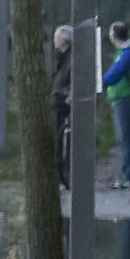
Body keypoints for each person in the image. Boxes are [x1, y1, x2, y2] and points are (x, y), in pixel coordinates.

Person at [102, 21, 130, 190]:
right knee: (124, 138)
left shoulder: (127, 54)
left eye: (110, 32)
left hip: (125, 99)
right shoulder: (126, 51)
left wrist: (101, 83)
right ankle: (127, 174)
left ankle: (129, 176)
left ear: (114, 35)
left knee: (125, 138)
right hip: (123, 98)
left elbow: (116, 72)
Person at [50, 24, 73, 189]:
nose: (54, 41)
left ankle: (65, 176)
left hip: (64, 105)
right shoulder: (63, 57)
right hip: (60, 104)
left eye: (56, 38)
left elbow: (71, 83)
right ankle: (61, 177)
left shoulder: (70, 59)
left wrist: (63, 95)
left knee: (64, 142)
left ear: (63, 40)